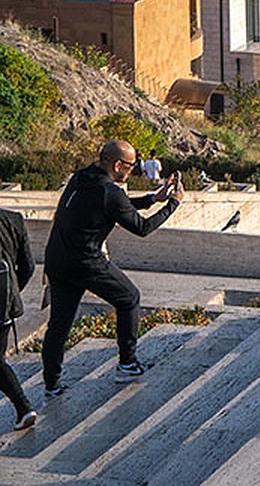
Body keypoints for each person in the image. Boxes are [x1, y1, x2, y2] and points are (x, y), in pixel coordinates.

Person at [42, 140, 184, 396]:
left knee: (59, 325)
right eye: (130, 166)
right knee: (129, 298)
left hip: (57, 259)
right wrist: (173, 204)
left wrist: (153, 198)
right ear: (117, 165)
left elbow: (117, 205)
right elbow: (141, 228)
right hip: (85, 261)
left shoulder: (81, 178)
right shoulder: (109, 192)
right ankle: (127, 364)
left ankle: (51, 386)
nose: (133, 170)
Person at [0, 207, 36, 430]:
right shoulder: (14, 219)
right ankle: (23, 408)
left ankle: (24, 407)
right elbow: (28, 267)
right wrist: (11, 292)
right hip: (4, 304)